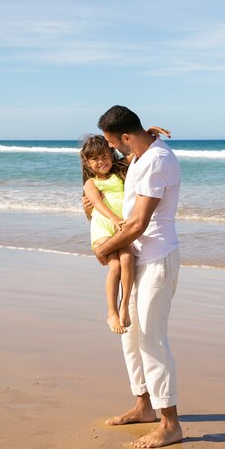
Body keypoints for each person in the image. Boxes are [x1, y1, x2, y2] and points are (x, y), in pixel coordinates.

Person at [92, 105, 182, 449]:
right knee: (130, 336)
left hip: (157, 258)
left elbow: (138, 223)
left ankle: (170, 423)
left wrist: (104, 249)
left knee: (152, 339)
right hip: (138, 257)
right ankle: (143, 406)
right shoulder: (142, 155)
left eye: (116, 143)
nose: (113, 150)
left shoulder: (157, 161)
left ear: (127, 136)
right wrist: (148, 137)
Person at [80, 135, 134, 334]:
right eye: (94, 159)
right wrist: (114, 219)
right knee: (115, 264)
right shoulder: (91, 183)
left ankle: (124, 304)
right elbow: (97, 204)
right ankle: (111, 311)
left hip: (120, 226)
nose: (101, 161)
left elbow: (136, 149)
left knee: (127, 257)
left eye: (104, 156)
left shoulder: (119, 172)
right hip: (104, 226)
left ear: (111, 153)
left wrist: (149, 133)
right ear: (87, 162)